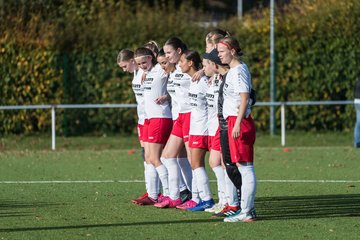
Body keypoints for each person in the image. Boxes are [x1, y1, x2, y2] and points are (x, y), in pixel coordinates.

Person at [217, 36, 257, 222]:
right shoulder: (233, 71)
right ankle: (246, 210)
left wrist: (238, 123)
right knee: (241, 166)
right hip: (234, 120)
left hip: (238, 122)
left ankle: (247, 212)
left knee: (245, 167)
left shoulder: (239, 70)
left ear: (232, 51)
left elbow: (244, 98)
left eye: (222, 51)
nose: (219, 55)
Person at [154, 37, 194, 209]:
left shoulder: (187, 67)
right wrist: (166, 96)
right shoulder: (176, 68)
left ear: (179, 51)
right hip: (178, 118)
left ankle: (194, 196)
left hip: (190, 116)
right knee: (171, 156)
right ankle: (179, 195)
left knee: (191, 159)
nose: (167, 56)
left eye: (169, 52)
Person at [202, 48, 240, 218]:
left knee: (233, 165)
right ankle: (229, 202)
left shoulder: (235, 73)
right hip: (223, 123)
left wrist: (238, 119)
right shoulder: (220, 77)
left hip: (229, 124)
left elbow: (247, 96)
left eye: (207, 64)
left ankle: (235, 203)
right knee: (225, 164)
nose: (204, 68)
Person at [133, 47, 173, 205]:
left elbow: (177, 77)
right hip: (150, 119)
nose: (142, 65)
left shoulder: (160, 69)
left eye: (145, 61)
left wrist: (167, 96)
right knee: (149, 158)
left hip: (160, 117)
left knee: (155, 158)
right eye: (139, 63)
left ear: (152, 58)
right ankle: (155, 195)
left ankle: (170, 194)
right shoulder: (147, 73)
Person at [178, 50, 215, 211]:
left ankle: (207, 199)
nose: (179, 64)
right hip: (196, 127)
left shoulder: (202, 81)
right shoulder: (194, 80)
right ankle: (200, 198)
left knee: (198, 164)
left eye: (181, 61)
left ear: (190, 62)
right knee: (195, 164)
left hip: (203, 128)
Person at [117, 49, 151, 204]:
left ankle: (156, 192)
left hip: (152, 118)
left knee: (152, 156)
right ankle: (151, 190)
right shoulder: (136, 74)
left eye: (125, 66)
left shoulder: (147, 71)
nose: (125, 70)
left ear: (132, 60)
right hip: (142, 119)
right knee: (145, 156)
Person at [354, 77, 360, 148]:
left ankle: (356, 142)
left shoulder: (358, 80)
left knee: (358, 122)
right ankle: (357, 142)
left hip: (356, 101)